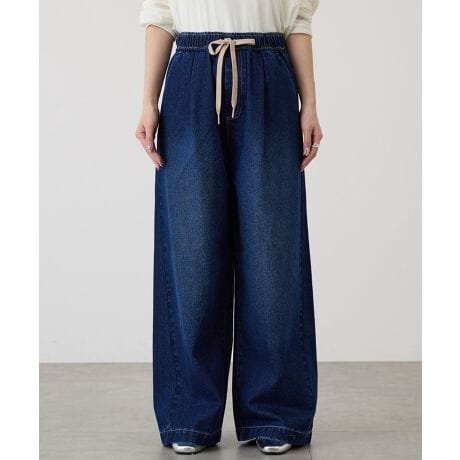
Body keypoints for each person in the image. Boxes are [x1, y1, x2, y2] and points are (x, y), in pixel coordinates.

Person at [135, 0, 322, 455]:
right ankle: (189, 414)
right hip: (190, 74)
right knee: (192, 251)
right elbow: (161, 16)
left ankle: (275, 413)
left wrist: (310, 103)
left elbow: (297, 20)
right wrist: (148, 101)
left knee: (272, 253)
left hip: (270, 72)